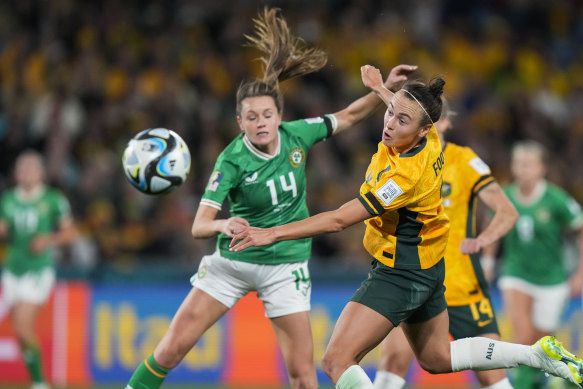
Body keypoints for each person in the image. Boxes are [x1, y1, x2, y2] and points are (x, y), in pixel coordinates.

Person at [229, 65, 583, 389]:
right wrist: (381, 89)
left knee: (336, 360)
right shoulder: (426, 139)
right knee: (436, 358)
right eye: (390, 113)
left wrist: (270, 232)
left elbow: (338, 220)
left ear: (425, 129)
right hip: (429, 270)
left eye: (401, 121)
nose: (389, 124)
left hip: (400, 272)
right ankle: (535, 356)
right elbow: (403, 109)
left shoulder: (403, 178)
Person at [125, 7, 418, 389]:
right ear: (240, 123)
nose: (260, 122)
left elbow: (347, 116)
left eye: (266, 115)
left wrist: (386, 92)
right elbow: (200, 226)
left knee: (301, 374)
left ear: (279, 116)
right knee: (169, 351)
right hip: (233, 263)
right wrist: (223, 223)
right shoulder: (231, 160)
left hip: (285, 267)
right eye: (251, 117)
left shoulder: (298, 134)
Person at [371, 99, 519, 389]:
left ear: (446, 122)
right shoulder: (397, 159)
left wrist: (484, 242)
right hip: (413, 279)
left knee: (491, 373)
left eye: (434, 120)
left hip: (461, 283)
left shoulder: (463, 160)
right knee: (393, 360)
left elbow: (506, 210)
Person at [481, 140, 583, 389]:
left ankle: (564, 373)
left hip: (552, 278)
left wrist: (580, 273)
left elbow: (580, 228)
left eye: (529, 164)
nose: (523, 169)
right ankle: (526, 384)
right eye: (519, 164)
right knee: (523, 336)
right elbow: (492, 229)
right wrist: (487, 261)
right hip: (515, 273)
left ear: (541, 169)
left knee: (543, 339)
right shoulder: (504, 197)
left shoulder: (556, 199)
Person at [0, 150, 77, 389]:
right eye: (21, 168)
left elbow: (69, 232)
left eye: (30, 167)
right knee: (21, 334)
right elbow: (3, 229)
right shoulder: (8, 199)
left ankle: (40, 384)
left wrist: (47, 240)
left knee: (24, 328)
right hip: (13, 269)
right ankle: (38, 381)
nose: (25, 172)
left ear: (41, 172)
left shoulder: (53, 199)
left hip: (38, 270)